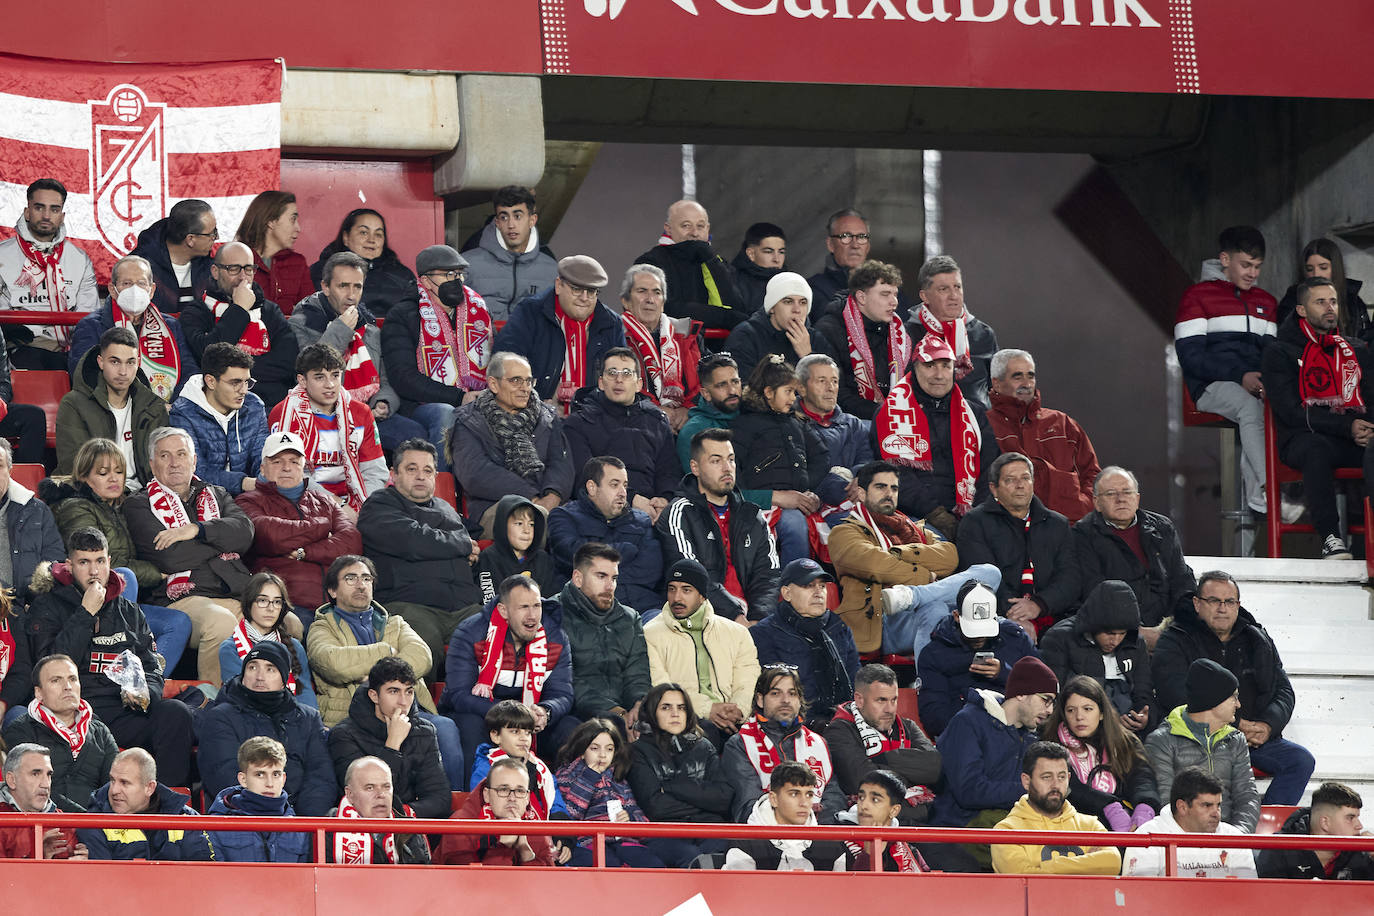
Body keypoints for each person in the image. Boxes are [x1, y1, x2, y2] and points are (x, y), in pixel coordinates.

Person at [28, 527, 194, 786]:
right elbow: (49, 667)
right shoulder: (48, 605)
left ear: (109, 562)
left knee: (175, 712)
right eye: (84, 562)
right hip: (77, 713)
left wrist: (145, 691)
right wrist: (85, 614)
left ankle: (165, 802)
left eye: (100, 561)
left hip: (124, 710)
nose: (94, 572)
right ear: (70, 565)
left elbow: (151, 664)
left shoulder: (128, 610)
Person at [1152, 570, 1312, 806]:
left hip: (1256, 740)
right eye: (1214, 601)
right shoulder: (1176, 639)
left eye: (1229, 602)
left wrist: (1268, 725)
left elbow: (1283, 690)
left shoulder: (1257, 638)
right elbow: (1173, 694)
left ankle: (1270, 834)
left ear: (1238, 605)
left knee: (1300, 760)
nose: (1222, 608)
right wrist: (1235, 726)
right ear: (1197, 604)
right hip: (1199, 740)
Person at [44, 438, 190, 672]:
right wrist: (158, 573)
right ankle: (120, 661)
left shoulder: (122, 508)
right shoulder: (74, 507)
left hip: (124, 600)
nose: (114, 478)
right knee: (125, 576)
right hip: (85, 602)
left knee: (178, 622)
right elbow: (103, 564)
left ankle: (144, 684)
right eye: (103, 473)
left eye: (119, 471)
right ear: (84, 477)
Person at [830, 459, 1001, 659]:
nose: (889, 494)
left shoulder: (913, 527)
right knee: (936, 607)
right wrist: (925, 574)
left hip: (924, 606)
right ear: (861, 493)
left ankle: (913, 595)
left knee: (990, 573)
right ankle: (928, 686)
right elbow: (876, 565)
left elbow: (949, 556)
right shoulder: (843, 533)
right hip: (880, 620)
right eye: (880, 487)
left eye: (894, 488)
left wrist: (899, 552)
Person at [124, 426, 257, 683]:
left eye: (181, 454)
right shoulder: (139, 504)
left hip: (232, 591)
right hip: (180, 599)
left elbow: (245, 535)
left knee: (287, 621)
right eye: (164, 456)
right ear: (152, 464)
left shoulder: (216, 494)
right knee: (220, 622)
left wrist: (197, 530)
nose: (174, 463)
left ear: (193, 460)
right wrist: (222, 543)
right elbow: (170, 557)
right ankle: (214, 704)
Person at [1263, 275, 1374, 559]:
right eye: (1320, 302)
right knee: (1316, 449)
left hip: (1352, 437)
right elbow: (1291, 411)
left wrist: (1368, 429)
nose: (1329, 308)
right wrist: (1348, 426)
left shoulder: (1356, 350)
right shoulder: (1280, 351)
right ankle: (1330, 538)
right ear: (1301, 309)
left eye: (1334, 301)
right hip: (1304, 437)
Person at [1174, 226, 1277, 519]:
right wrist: (1239, 375)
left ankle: (1260, 498)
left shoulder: (1266, 302)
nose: (1252, 273)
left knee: (1267, 406)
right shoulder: (1197, 296)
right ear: (1225, 259)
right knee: (1249, 406)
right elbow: (1190, 356)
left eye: (1257, 267)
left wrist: (1268, 380)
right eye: (1246, 265)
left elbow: (1271, 355)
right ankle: (1270, 489)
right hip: (1208, 387)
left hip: (1254, 387)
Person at [359, 438, 481, 667]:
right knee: (423, 646)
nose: (420, 476)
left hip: (464, 608)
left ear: (435, 476)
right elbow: (414, 541)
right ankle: (424, 704)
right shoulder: (379, 505)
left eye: (427, 470)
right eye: (411, 469)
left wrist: (464, 549)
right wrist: (462, 544)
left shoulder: (446, 509)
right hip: (410, 605)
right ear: (393, 474)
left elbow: (456, 549)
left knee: (496, 635)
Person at [289, 250, 425, 454]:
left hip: (367, 414)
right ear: (325, 287)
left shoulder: (368, 327)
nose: (351, 296)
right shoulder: (302, 322)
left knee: (415, 434)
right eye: (343, 286)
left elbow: (386, 378)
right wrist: (341, 329)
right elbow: (312, 370)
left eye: (357, 287)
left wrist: (383, 403)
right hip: (322, 415)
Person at [442, 575, 577, 764]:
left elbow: (562, 693)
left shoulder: (555, 638)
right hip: (484, 715)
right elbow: (459, 695)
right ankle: (472, 792)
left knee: (571, 728)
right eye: (524, 607)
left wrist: (546, 711)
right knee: (470, 726)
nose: (532, 616)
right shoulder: (471, 633)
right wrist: (512, 716)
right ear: (503, 610)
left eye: (536, 606)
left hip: (531, 718)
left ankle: (563, 792)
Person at [377, 245, 490, 468]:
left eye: (459, 274)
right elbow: (403, 377)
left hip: (478, 397)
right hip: (420, 405)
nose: (456, 281)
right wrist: (459, 397)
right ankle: (442, 490)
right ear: (427, 281)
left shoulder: (478, 309)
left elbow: (494, 358)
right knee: (445, 414)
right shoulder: (403, 314)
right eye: (448, 275)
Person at [874, 335, 998, 539]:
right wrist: (936, 514)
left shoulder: (975, 414)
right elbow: (895, 474)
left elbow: (990, 468)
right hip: (917, 515)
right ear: (914, 369)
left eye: (946, 365)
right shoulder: (890, 412)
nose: (939, 374)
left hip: (975, 512)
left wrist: (978, 514)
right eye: (930, 365)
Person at [235, 431, 362, 628]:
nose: (287, 467)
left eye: (294, 461)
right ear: (262, 467)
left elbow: (352, 542)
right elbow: (270, 535)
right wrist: (322, 526)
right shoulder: (247, 500)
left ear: (304, 467)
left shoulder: (324, 500)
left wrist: (306, 552)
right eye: (277, 461)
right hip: (289, 605)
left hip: (338, 602)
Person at [195, 639, 335, 816]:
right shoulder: (220, 717)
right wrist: (275, 817)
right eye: (252, 667)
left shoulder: (308, 718)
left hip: (300, 823)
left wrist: (304, 827)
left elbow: (320, 779)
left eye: (270, 669)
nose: (259, 676)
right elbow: (224, 777)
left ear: (284, 679)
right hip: (243, 820)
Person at [305, 555, 440, 734]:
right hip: (351, 719)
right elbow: (334, 664)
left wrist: (375, 678)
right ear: (332, 591)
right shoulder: (321, 627)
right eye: (350, 578)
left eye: (366, 578)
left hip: (407, 711)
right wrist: (387, 651)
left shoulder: (395, 623)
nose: (361, 585)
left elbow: (422, 657)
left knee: (445, 728)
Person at [657, 428, 780, 622]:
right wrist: (736, 617)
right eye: (716, 461)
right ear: (695, 468)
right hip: (704, 618)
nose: (727, 468)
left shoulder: (753, 515)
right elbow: (690, 575)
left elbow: (769, 576)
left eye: (730, 459)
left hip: (753, 621)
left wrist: (759, 621)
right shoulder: (680, 512)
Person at [930, 656, 1058, 840]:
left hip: (1007, 828)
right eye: (1046, 700)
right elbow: (969, 790)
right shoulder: (968, 722)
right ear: (1022, 693)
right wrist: (1032, 789)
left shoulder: (1030, 738)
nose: (1050, 710)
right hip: (961, 830)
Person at [957, 452, 1080, 643]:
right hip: (995, 615)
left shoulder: (1058, 524)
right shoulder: (974, 523)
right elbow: (982, 577)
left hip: (1054, 614)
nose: (1020, 485)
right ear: (994, 489)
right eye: (1010, 480)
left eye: (1025, 478)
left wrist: (1039, 604)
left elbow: (1070, 578)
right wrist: (1013, 612)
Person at [450, 351, 575, 538]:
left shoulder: (547, 417)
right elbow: (476, 473)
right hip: (494, 506)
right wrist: (532, 498)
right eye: (516, 381)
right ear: (494, 384)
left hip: (550, 501)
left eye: (528, 381)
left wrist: (552, 497)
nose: (525, 388)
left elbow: (561, 463)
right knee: (533, 523)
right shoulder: (470, 421)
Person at [643, 559, 760, 750]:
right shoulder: (650, 633)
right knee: (706, 734)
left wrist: (738, 710)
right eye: (672, 589)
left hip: (735, 718)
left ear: (702, 596)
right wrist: (707, 709)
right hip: (684, 719)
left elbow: (748, 678)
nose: (676, 597)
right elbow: (659, 685)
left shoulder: (736, 633)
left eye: (686, 590)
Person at [1074, 465, 1195, 648]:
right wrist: (1134, 632)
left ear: (1137, 499)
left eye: (1127, 492)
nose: (1121, 499)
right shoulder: (1083, 535)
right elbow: (1093, 591)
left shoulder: (1162, 528)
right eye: (1111, 493)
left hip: (1169, 630)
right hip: (1116, 633)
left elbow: (1183, 582)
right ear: (1097, 503)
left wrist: (1174, 627)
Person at [492, 254, 627, 417]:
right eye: (576, 289)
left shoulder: (611, 324)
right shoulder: (530, 313)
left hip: (595, 419)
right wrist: (536, 405)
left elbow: (621, 378)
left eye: (591, 291)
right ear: (558, 285)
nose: (584, 298)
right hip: (535, 416)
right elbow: (503, 367)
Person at [561, 349, 680, 524]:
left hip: (654, 512)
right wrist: (632, 499)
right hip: (601, 515)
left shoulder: (656, 422)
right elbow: (584, 480)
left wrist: (664, 499)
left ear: (639, 384)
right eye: (612, 373)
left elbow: (669, 472)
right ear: (601, 382)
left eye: (627, 373)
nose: (619, 379)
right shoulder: (578, 423)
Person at [1143, 658, 1261, 833]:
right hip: (1182, 842)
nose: (1238, 704)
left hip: (1229, 838)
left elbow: (1247, 796)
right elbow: (1167, 802)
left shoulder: (1235, 739)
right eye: (1233, 697)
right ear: (1214, 699)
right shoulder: (1162, 741)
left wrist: (1237, 838)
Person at [732, 355, 828, 566]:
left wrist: (810, 492)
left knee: (843, 515)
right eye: (788, 391)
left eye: (794, 392)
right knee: (794, 524)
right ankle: (796, 585)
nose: (794, 398)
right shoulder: (744, 425)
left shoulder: (797, 421)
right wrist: (774, 497)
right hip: (764, 505)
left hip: (800, 500)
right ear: (768, 392)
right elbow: (734, 485)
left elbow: (821, 458)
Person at [326, 657, 451, 819]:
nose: (403, 702)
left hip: (409, 828)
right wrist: (393, 744)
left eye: (409, 692)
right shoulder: (344, 735)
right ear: (374, 696)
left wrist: (399, 815)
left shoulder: (424, 732)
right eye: (393, 691)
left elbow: (439, 799)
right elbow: (359, 799)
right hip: (361, 830)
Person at [269, 343, 388, 513]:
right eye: (319, 377)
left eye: (335, 375)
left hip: (357, 505)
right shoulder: (284, 414)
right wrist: (337, 505)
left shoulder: (361, 413)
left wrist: (365, 510)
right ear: (302, 380)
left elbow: (374, 471)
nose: (330, 384)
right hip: (304, 503)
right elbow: (291, 476)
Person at [626, 682, 735, 866]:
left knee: (729, 851)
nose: (675, 713)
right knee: (692, 857)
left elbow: (723, 798)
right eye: (666, 707)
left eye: (681, 708)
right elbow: (656, 807)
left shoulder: (704, 746)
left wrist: (669, 787)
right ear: (652, 712)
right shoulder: (638, 751)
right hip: (666, 833)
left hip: (709, 829)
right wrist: (703, 801)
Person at [721, 664, 847, 822]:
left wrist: (814, 831)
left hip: (818, 837)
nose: (785, 700)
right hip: (765, 838)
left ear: (800, 700)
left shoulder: (818, 743)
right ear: (760, 699)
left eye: (792, 693)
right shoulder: (740, 744)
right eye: (776, 693)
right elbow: (748, 805)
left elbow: (834, 798)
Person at [181, 241, 298, 410]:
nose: (243, 277)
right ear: (215, 271)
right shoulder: (196, 312)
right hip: (215, 409)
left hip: (270, 405)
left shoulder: (269, 311)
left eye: (249, 269)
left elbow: (288, 363)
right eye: (234, 269)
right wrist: (239, 309)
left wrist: (230, 375)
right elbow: (207, 358)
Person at [986, 348, 1100, 521]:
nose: (1027, 383)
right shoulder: (984, 425)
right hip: (1011, 529)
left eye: (1030, 376)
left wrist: (1082, 507)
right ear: (997, 383)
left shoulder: (1062, 422)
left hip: (1070, 527)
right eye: (1017, 376)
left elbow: (1093, 474)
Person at [917, 581, 1041, 738]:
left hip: (1018, 735)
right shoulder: (935, 654)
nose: (979, 637)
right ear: (957, 616)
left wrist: (1006, 674)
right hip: (966, 737)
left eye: (984, 629)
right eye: (974, 630)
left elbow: (1044, 690)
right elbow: (934, 716)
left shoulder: (1015, 638)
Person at [67, 254, 198, 400]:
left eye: (141, 283)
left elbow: (190, 372)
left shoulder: (171, 325)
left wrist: (174, 406)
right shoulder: (91, 325)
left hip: (168, 409)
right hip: (113, 409)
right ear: (112, 289)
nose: (135, 290)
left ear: (152, 290)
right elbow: (84, 375)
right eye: (127, 283)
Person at [1040, 675, 1159, 833]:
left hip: (1125, 827)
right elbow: (1068, 788)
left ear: (1102, 713)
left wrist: (1145, 806)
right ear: (1063, 714)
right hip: (1071, 828)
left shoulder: (1125, 741)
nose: (1079, 717)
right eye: (1071, 710)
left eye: (1087, 709)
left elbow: (1142, 777)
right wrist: (1109, 806)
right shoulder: (1049, 744)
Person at [825, 664, 941, 826]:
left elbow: (934, 766)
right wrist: (912, 772)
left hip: (921, 819)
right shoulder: (839, 731)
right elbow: (861, 780)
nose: (890, 709)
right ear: (859, 700)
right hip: (869, 826)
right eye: (881, 700)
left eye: (894, 700)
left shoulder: (908, 726)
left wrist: (882, 759)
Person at [0, 178, 98, 368]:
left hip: (71, 351)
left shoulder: (79, 259)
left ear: (62, 216)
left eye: (54, 209)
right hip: (19, 350)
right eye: (39, 208)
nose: (46, 215)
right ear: (27, 212)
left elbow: (88, 316)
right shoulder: (2, 255)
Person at [750, 558, 859, 727]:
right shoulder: (763, 633)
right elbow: (772, 695)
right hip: (793, 726)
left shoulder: (839, 628)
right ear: (786, 593)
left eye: (822, 586)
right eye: (808, 586)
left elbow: (855, 683)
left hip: (842, 723)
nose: (818, 592)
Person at [2, 654, 118, 812]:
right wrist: (85, 819)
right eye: (56, 680)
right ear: (39, 693)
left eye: (72, 679)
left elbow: (115, 785)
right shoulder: (20, 731)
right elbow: (31, 792)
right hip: (47, 823)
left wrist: (97, 824)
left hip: (96, 828)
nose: (68, 686)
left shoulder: (100, 731)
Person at [553, 543, 651, 730]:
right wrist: (615, 712)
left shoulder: (629, 618)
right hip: (573, 714)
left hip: (623, 713)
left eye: (614, 578)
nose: (610, 586)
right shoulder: (553, 614)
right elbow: (567, 680)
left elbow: (637, 673)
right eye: (601, 576)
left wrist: (639, 705)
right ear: (578, 578)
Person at [57, 327, 169, 487]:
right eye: (115, 362)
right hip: (90, 493)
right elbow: (74, 465)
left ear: (138, 363)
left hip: (144, 495)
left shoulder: (154, 406)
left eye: (130, 362)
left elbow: (161, 464)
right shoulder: (74, 404)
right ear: (101, 362)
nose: (123, 371)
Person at [548, 457, 664, 611]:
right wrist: (625, 550)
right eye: (614, 485)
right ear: (592, 487)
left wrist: (599, 575)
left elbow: (651, 570)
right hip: (587, 611)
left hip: (642, 608)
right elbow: (572, 556)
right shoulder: (564, 516)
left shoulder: (642, 521)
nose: (623, 493)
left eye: (625, 485)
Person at [990, 741, 1122, 875]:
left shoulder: (1090, 825)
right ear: (1026, 781)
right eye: (1046, 777)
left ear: (1069, 779)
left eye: (1061, 777)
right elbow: (1020, 876)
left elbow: (1114, 862)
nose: (1055, 785)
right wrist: (1087, 863)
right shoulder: (1007, 830)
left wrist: (1043, 868)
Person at [1039, 582, 1155, 734]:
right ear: (1094, 626)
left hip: (1126, 734)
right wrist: (1108, 722)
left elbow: (1143, 691)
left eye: (1122, 633)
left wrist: (1142, 716)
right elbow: (1056, 699)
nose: (1115, 640)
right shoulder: (1059, 639)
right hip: (1078, 730)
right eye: (1110, 634)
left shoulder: (1135, 643)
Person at [555, 718, 665, 867]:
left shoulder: (618, 780)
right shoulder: (566, 776)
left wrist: (630, 818)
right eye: (594, 748)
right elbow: (570, 813)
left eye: (609, 749)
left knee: (651, 863)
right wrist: (589, 777)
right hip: (587, 842)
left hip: (623, 840)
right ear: (582, 751)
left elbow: (642, 820)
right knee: (608, 864)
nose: (602, 755)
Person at [814, 259, 911, 421]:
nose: (894, 302)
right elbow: (836, 394)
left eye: (895, 294)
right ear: (862, 297)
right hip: (846, 423)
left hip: (891, 418)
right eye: (885, 294)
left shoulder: (899, 333)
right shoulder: (828, 329)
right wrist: (886, 414)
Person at [168, 342, 269, 497]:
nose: (243, 391)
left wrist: (265, 478)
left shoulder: (254, 406)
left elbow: (261, 456)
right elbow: (195, 471)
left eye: (246, 382)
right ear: (211, 382)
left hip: (249, 496)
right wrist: (244, 482)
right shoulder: (183, 414)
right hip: (202, 498)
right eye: (235, 383)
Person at [1121, 767, 1258, 878]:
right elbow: (1140, 898)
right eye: (1207, 805)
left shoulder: (1234, 838)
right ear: (1182, 807)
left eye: (1218, 805)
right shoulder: (1146, 839)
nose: (1216, 813)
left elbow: (1249, 897)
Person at [79, 748, 213, 860]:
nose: (114, 790)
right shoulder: (93, 821)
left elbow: (201, 871)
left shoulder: (185, 817)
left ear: (149, 787)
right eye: (112, 780)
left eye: (124, 783)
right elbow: (105, 881)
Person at [634, 199, 747, 332]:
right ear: (668, 229)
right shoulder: (650, 263)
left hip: (723, 347)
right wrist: (725, 317)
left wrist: (712, 261)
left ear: (708, 228)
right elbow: (665, 308)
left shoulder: (718, 262)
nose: (694, 233)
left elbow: (738, 307)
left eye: (700, 226)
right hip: (672, 346)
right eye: (686, 226)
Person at [618, 263, 702, 432]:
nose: (650, 299)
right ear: (625, 301)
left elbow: (704, 379)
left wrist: (689, 409)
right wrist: (655, 412)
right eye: (642, 291)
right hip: (637, 422)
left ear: (663, 302)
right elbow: (618, 387)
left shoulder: (685, 334)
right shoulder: (615, 336)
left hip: (688, 420)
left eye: (657, 292)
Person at [907, 254, 999, 410]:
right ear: (925, 296)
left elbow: (997, 388)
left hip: (977, 424)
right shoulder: (906, 335)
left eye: (957, 287)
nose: (954, 296)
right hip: (926, 423)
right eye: (944, 289)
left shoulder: (983, 334)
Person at [722, 760, 848, 871]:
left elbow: (842, 895)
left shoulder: (833, 847)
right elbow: (742, 895)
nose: (804, 803)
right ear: (773, 799)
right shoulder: (744, 845)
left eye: (809, 794)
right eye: (794, 794)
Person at [217, 572, 318, 707]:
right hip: (250, 720)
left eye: (277, 602)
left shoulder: (295, 646)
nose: (271, 608)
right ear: (249, 603)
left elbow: (305, 695)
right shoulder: (230, 648)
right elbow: (242, 698)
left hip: (291, 720)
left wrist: (309, 723)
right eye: (263, 601)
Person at [206, 736, 312, 862]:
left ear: (283, 779)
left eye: (276, 774)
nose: (269, 783)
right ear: (243, 779)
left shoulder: (301, 831)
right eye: (260, 774)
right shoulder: (216, 826)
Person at [462, 185, 559, 322]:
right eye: (504, 217)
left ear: (532, 220)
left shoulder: (552, 269)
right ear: (497, 222)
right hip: (483, 342)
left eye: (518, 216)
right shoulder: (467, 264)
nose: (511, 225)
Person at [438, 757, 558, 866]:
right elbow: (466, 885)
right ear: (487, 795)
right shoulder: (461, 826)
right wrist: (503, 849)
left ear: (527, 798)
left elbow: (545, 886)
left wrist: (526, 855)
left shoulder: (536, 829)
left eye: (520, 791)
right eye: (504, 789)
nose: (512, 798)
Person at [794, 353, 875, 513]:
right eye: (822, 381)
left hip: (857, 501)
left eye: (834, 381)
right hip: (813, 508)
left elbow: (867, 460)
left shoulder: (854, 425)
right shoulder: (789, 424)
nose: (830, 388)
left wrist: (861, 476)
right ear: (802, 388)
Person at [309, 208, 419, 320]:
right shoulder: (323, 270)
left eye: (378, 234)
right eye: (363, 232)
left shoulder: (403, 275)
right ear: (346, 237)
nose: (371, 240)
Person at [807, 209, 914, 318]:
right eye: (845, 236)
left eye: (862, 237)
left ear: (868, 246)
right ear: (830, 244)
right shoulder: (813, 290)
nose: (855, 245)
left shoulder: (889, 289)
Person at [1257, 781, 1374, 880]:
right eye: (1350, 818)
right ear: (1325, 823)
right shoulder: (1277, 851)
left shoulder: (1364, 853)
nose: (1359, 826)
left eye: (1358, 817)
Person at [326, 756, 430, 864]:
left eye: (386, 787)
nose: (381, 795)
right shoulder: (329, 827)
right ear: (350, 794)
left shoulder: (410, 830)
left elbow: (425, 877)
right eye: (370, 788)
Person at [723, 272, 825, 379]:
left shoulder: (816, 338)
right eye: (788, 302)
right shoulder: (745, 337)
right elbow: (742, 388)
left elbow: (831, 388)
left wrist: (808, 356)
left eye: (803, 302)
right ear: (772, 307)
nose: (797, 310)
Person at [0, 441, 62, 613]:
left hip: (27, 609)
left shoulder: (37, 511)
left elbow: (55, 562)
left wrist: (38, 601)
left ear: (10, 471)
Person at [129, 198, 216, 315]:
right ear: (190, 239)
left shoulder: (212, 263)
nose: (215, 238)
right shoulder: (136, 268)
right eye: (211, 234)